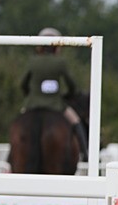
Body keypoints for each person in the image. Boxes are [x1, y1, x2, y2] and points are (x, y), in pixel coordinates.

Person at [20, 28, 87, 160]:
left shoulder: (33, 61)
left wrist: (30, 96)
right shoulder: (60, 62)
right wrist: (68, 95)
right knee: (76, 122)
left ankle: (9, 156)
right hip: (56, 104)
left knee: (19, 123)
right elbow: (71, 85)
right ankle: (85, 153)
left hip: (32, 104)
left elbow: (23, 84)